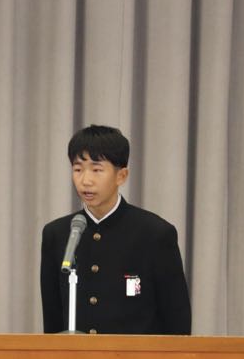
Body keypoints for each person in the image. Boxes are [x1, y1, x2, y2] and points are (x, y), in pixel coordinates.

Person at [40, 125, 192, 334]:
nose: (85, 180)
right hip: (76, 356)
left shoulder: (155, 234)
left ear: (121, 176)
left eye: (97, 170)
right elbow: (53, 322)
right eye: (78, 169)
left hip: (137, 355)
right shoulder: (57, 234)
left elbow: (177, 323)